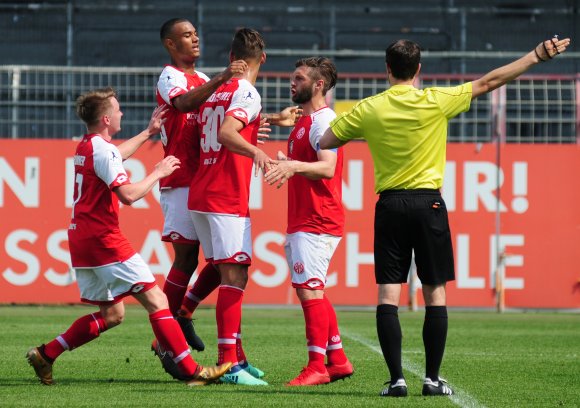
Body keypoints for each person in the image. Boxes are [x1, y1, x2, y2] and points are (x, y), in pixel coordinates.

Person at [319, 36, 571, 397]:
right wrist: (535, 55)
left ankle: (396, 380)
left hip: (390, 205)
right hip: (429, 205)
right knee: (435, 293)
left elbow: (326, 140)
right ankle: (432, 380)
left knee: (388, 294)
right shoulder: (436, 100)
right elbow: (489, 82)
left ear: (387, 70)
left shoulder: (368, 108)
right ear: (419, 70)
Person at [26, 87, 232, 386]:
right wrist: (158, 172)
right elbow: (129, 195)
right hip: (103, 238)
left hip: (81, 237)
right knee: (158, 300)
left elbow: (114, 154)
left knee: (112, 314)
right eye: (118, 109)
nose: (122, 112)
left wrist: (149, 132)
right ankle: (192, 371)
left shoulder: (87, 146)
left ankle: (47, 353)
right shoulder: (102, 150)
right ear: (107, 118)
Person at [156, 18, 249, 352]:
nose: (195, 39)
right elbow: (182, 104)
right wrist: (224, 77)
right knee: (186, 259)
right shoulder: (171, 76)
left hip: (206, 181)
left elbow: (218, 121)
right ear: (170, 43)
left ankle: (182, 312)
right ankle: (163, 334)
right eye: (186, 35)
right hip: (180, 178)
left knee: (223, 260)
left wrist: (252, 126)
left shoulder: (205, 79)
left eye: (196, 33)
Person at [187, 27, 272, 386]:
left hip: (202, 190)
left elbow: (215, 132)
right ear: (262, 59)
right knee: (235, 276)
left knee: (227, 270)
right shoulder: (247, 91)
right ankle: (228, 366)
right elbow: (226, 133)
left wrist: (252, 133)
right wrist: (255, 150)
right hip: (225, 195)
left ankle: (237, 356)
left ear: (232, 56)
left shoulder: (216, 90)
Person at [263, 57, 353, 386]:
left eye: (298, 78)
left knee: (310, 291)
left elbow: (327, 167)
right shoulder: (306, 120)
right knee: (312, 290)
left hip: (317, 219)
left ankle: (317, 365)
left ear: (318, 85)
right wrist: (288, 163)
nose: (292, 82)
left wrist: (294, 167)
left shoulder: (324, 120)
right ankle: (338, 360)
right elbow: (308, 164)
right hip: (305, 217)